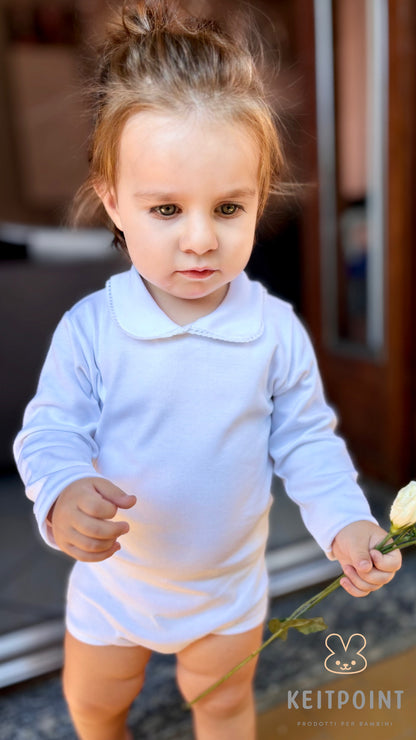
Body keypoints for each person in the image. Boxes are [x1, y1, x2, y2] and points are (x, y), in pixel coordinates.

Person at [13, 2, 401, 739]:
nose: (200, 240)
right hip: (117, 586)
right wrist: (61, 491)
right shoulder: (94, 331)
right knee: (94, 704)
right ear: (114, 204)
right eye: (165, 209)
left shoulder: (271, 332)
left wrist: (347, 522)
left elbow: (308, 441)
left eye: (228, 207)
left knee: (222, 704)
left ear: (260, 199)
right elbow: (51, 428)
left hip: (224, 590)